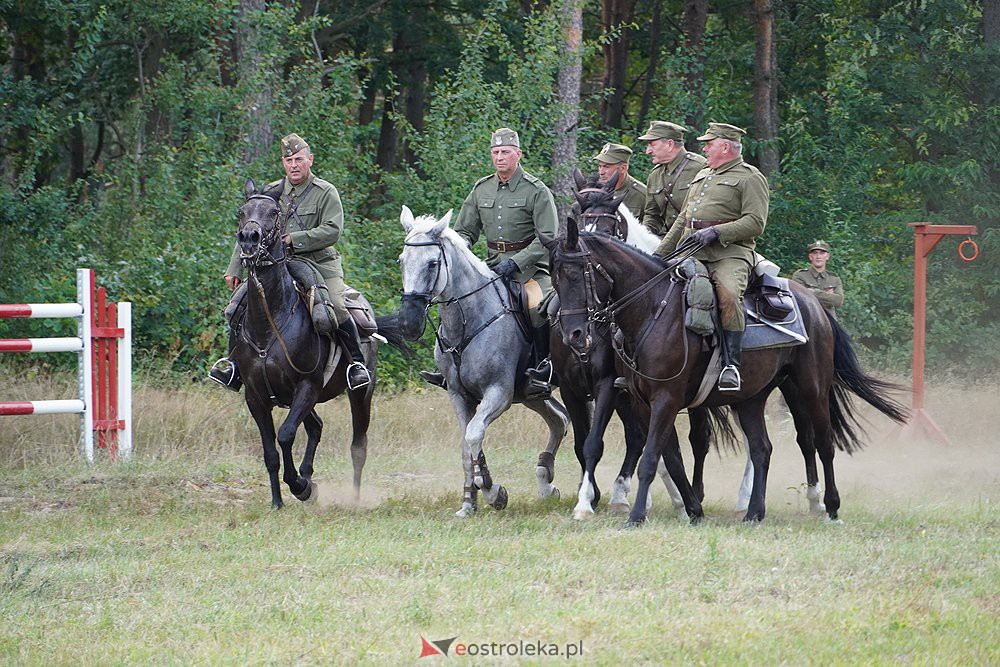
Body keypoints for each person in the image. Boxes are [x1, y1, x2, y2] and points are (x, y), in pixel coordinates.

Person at [209, 133, 372, 392]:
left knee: (337, 308)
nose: (293, 164)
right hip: (275, 264)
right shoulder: (271, 192)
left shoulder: (325, 192)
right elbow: (250, 230)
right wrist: (234, 268)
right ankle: (232, 366)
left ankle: (356, 366)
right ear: (283, 163)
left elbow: (332, 230)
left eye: (298, 159)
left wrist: (293, 239)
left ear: (310, 160)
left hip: (318, 264)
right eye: (288, 160)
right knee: (236, 308)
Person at [419, 127, 559, 397]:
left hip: (529, 272)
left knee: (536, 308)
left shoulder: (536, 190)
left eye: (505, 152)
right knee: (454, 304)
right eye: (495, 152)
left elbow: (548, 237)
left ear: (518, 154)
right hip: (490, 267)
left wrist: (515, 263)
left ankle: (544, 368)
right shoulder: (481, 188)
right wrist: (461, 257)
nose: (500, 157)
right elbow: (464, 233)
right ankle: (450, 369)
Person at [652, 122, 769, 392]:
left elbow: (755, 222)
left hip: (729, 255)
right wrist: (658, 256)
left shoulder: (750, 177)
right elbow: (683, 219)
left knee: (727, 294)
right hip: (689, 251)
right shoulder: (703, 174)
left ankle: (731, 365)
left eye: (709, 143)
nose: (704, 148)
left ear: (725, 146)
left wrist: (717, 232)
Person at [638, 121, 708, 238]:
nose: (648, 151)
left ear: (669, 144)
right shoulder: (655, 174)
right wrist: (644, 236)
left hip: (696, 241)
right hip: (666, 240)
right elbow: (652, 214)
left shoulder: (700, 167)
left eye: (652, 145)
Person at [593, 142, 646, 224]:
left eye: (606, 167)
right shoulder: (595, 192)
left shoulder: (642, 194)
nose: (601, 172)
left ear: (623, 168)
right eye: (600, 166)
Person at [791, 240, 844, 316]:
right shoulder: (800, 275)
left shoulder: (834, 279)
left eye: (822, 253)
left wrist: (811, 292)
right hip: (807, 319)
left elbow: (838, 301)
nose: (818, 256)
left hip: (830, 321)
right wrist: (827, 296)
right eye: (815, 253)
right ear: (810, 257)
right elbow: (799, 299)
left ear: (827, 256)